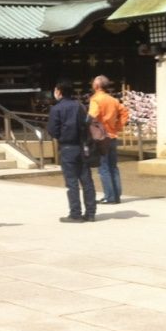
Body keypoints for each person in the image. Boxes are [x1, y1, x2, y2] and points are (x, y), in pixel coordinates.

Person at [47, 81, 97, 223]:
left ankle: (75, 213)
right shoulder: (80, 106)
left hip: (67, 147)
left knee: (72, 182)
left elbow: (52, 130)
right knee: (87, 180)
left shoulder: (56, 109)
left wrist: (61, 136)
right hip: (82, 146)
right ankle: (91, 212)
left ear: (59, 91)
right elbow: (86, 124)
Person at [89, 75, 127, 205]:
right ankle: (116, 195)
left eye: (94, 82)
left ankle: (109, 196)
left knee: (103, 168)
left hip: (101, 137)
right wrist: (118, 126)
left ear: (97, 86)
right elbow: (124, 113)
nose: (92, 84)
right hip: (112, 135)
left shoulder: (95, 100)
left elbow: (92, 115)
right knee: (113, 167)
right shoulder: (113, 100)